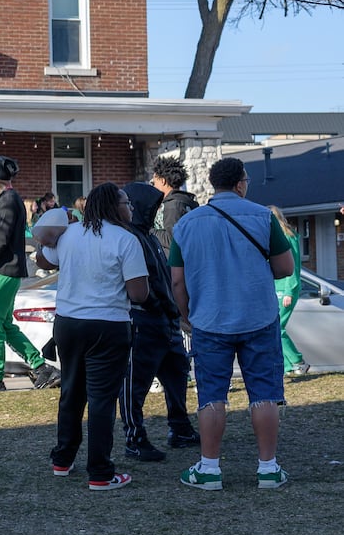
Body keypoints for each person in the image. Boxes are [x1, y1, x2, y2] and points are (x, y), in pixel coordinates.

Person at [170, 158, 295, 491]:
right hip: (259, 316)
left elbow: (177, 283)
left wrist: (186, 316)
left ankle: (209, 468)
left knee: (211, 396)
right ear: (241, 183)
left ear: (213, 183)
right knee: (265, 394)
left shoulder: (187, 224)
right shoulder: (262, 216)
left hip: (210, 320)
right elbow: (285, 268)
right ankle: (268, 468)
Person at [38, 183, 147, 490]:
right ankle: (100, 472)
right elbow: (139, 293)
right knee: (101, 399)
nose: (131, 208)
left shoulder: (70, 234)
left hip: (68, 324)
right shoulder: (126, 239)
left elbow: (44, 261)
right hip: (108, 325)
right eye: (126, 203)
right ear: (114, 206)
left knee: (71, 392)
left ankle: (63, 458)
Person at [118, 183, 199, 460]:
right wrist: (159, 305)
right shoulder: (130, 238)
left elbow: (162, 276)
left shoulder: (148, 236)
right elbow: (143, 284)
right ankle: (135, 438)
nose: (154, 212)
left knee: (176, 375)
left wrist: (171, 311)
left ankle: (180, 428)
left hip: (165, 320)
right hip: (144, 320)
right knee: (135, 384)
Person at [0, 155, 60, 392]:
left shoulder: (8, 200)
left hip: (1, 272)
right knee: (4, 325)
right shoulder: (11, 199)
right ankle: (42, 368)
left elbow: (0, 240)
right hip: (7, 272)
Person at [270, 206, 309, 377]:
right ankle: (286, 367)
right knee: (274, 329)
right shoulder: (276, 238)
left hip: (286, 290)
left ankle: (298, 362)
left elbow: (293, 268)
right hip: (276, 289)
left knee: (278, 328)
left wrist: (288, 292)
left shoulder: (288, 237)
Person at [150, 155, 198, 258]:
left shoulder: (173, 206)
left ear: (162, 181)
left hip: (174, 267)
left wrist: (150, 230)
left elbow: (172, 240)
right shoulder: (184, 201)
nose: (153, 186)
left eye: (154, 182)